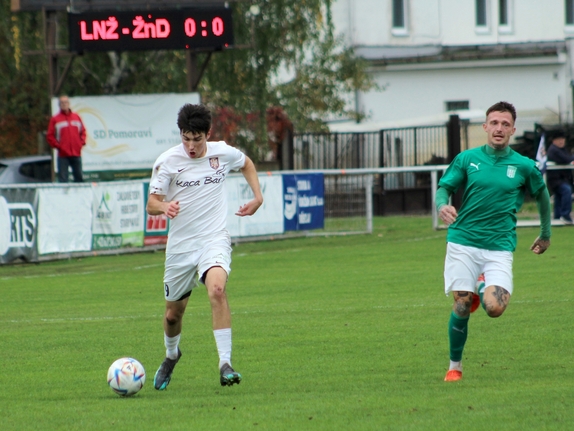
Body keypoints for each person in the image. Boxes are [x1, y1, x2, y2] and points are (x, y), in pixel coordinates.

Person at [146, 103, 263, 390]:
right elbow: (151, 204)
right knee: (173, 314)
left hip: (213, 239)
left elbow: (246, 163)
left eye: (197, 139)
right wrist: (165, 206)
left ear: (207, 134)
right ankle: (172, 355)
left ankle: (225, 364)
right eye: (186, 138)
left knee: (217, 290)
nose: (191, 146)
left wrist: (257, 197)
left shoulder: (222, 152)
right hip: (181, 248)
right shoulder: (167, 162)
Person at [436, 101, 551, 382]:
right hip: (463, 241)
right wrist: (442, 204)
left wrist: (546, 233)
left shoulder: (524, 166)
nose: (499, 128)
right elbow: (445, 187)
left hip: (499, 247)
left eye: (505, 124)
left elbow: (542, 196)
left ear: (512, 129)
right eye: (494, 123)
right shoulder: (467, 158)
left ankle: (481, 284)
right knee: (462, 305)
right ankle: (455, 367)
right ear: (485, 127)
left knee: (495, 308)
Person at [46, 95, 87, 182]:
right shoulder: (55, 119)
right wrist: (58, 146)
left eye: (66, 102)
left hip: (76, 153)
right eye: (62, 103)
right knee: (63, 179)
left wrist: (80, 143)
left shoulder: (76, 117)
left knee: (79, 178)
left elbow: (83, 132)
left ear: (69, 104)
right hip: (63, 155)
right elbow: (50, 136)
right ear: (59, 105)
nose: (64, 104)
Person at [546, 132, 574, 224]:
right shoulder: (554, 150)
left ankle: (557, 217)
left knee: (559, 196)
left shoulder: (561, 149)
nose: (561, 141)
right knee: (566, 190)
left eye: (563, 139)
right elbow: (566, 159)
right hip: (556, 179)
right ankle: (565, 215)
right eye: (559, 139)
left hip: (560, 179)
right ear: (554, 141)